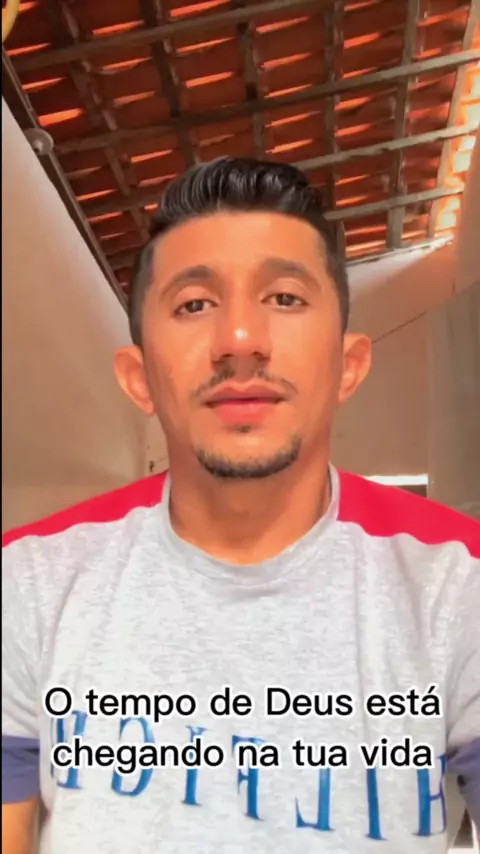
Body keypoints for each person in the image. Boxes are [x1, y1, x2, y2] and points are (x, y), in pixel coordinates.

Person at [2, 157, 479, 854]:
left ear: (348, 365)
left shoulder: (459, 584)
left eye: (284, 297)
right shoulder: (26, 583)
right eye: (195, 305)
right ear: (139, 378)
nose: (239, 340)